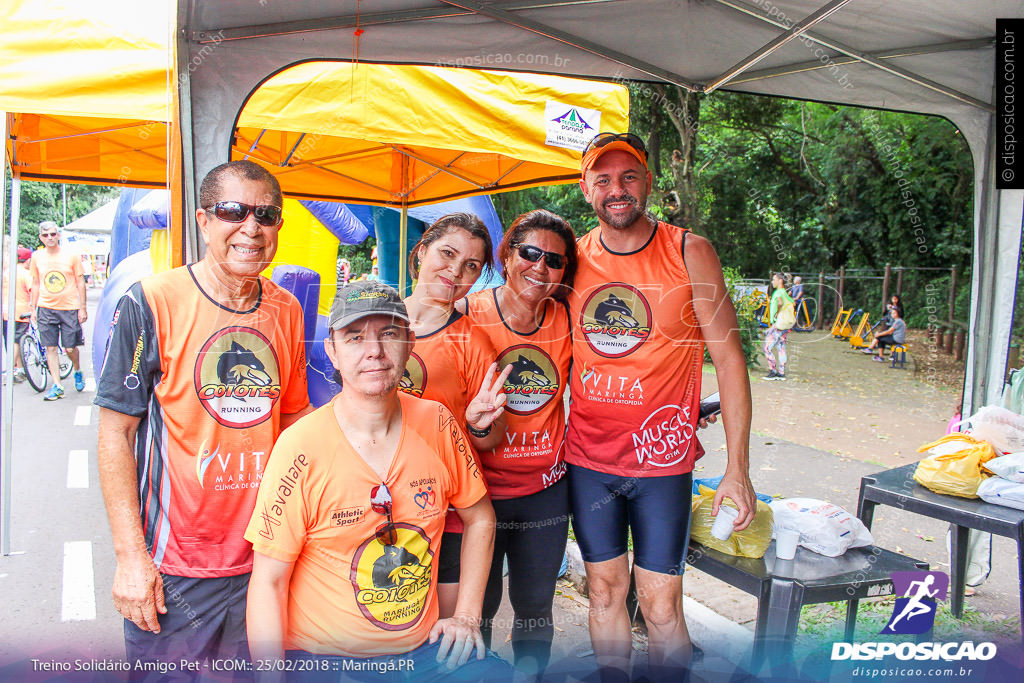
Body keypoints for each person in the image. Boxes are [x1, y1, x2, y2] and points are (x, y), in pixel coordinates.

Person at [95, 160, 312, 674]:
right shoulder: (151, 301)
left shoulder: (286, 310)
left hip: (266, 558)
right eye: (233, 211)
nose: (251, 227)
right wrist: (130, 558)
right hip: (175, 569)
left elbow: (295, 426)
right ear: (203, 220)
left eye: (267, 214)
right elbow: (114, 435)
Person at [244, 281, 511, 681]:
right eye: (355, 337)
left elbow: (481, 518)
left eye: (388, 333)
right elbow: (269, 581)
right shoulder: (299, 446)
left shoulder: (437, 422)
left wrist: (468, 617)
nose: (374, 351)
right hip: (326, 659)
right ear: (331, 351)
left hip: (421, 655)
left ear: (409, 342)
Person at [568, 132, 756, 681]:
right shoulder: (574, 259)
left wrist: (738, 471)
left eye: (629, 176)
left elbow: (730, 362)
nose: (617, 189)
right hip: (588, 460)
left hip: (662, 463)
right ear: (586, 190)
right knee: (604, 592)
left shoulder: (687, 250)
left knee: (661, 603)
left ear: (649, 181)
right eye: (602, 179)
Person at [466, 209, 576, 676]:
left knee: (534, 606)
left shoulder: (567, 319)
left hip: (544, 493)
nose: (540, 267)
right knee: (478, 608)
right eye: (529, 253)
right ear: (506, 256)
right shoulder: (468, 314)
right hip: (477, 496)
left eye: (554, 260)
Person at [400, 213, 510, 619]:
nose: (455, 271)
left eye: (471, 266)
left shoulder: (474, 342)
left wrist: (478, 421)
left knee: (441, 634)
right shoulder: (377, 324)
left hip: (445, 513)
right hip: (374, 503)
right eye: (447, 254)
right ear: (421, 251)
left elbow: (490, 438)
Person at [29, 221, 87, 399]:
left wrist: (82, 307)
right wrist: (33, 309)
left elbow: (80, 282)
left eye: (53, 234)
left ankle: (77, 370)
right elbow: (36, 283)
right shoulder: (37, 257)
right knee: (50, 348)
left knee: (70, 348)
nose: (50, 238)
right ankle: (57, 384)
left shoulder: (71, 256)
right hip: (46, 307)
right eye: (46, 235)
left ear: (58, 235)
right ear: (41, 238)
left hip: (69, 307)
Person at [2, 245, 33, 383]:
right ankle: (9, 371)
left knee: (12, 340)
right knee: (17, 341)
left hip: (5, 311)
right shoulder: (26, 274)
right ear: (27, 260)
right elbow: (32, 291)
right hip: (21, 312)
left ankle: (19, 369)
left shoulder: (7, 272)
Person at [764, 272, 795, 380]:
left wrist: (776, 314)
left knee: (767, 348)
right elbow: (792, 302)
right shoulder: (784, 292)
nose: (772, 281)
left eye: (774, 279)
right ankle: (781, 372)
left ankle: (773, 371)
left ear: (780, 281)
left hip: (779, 324)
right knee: (781, 347)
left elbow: (780, 303)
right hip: (786, 325)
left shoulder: (778, 293)